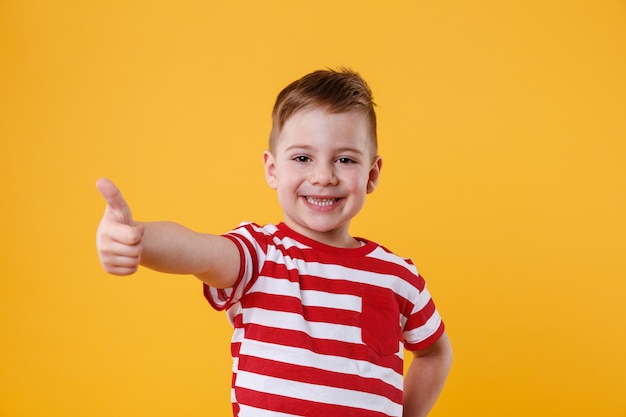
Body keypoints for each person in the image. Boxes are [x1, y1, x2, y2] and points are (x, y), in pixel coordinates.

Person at [96, 68, 452, 417]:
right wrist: (139, 240)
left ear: (371, 174)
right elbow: (199, 251)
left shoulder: (397, 276)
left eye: (344, 159)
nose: (323, 176)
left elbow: (435, 352)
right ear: (272, 169)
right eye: (302, 158)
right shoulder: (260, 253)